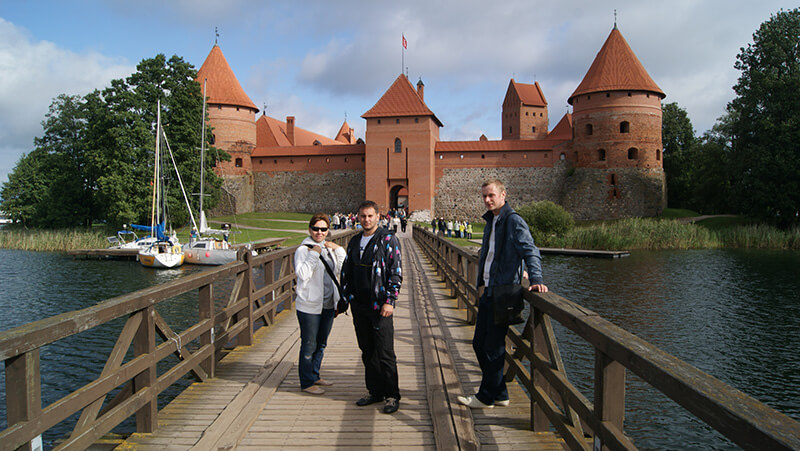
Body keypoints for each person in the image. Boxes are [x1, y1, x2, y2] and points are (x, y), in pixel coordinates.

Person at [458, 179, 548, 409]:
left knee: (492, 347)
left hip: (503, 293)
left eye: (491, 195)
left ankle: (486, 396)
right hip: (489, 291)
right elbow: (491, 255)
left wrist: (536, 279)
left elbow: (531, 250)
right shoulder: (492, 221)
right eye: (484, 196)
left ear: (503, 194)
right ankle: (501, 393)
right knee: (481, 344)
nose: (487, 200)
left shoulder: (513, 220)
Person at [340, 201, 403, 414]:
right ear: (358, 217)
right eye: (363, 216)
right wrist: (347, 296)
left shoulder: (388, 238)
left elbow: (395, 271)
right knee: (367, 350)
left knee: (385, 352)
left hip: (380, 305)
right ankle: (375, 391)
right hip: (360, 304)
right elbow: (347, 269)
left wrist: (390, 300)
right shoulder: (355, 240)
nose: (366, 220)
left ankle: (392, 395)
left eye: (370, 216)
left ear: (378, 216)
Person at [294, 213, 346, 395]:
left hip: (328, 304)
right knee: (309, 344)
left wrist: (338, 249)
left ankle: (315, 375)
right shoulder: (303, 250)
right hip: (309, 306)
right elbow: (303, 274)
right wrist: (314, 254)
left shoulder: (328, 249)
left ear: (327, 231)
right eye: (316, 229)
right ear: (310, 229)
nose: (319, 232)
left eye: (323, 229)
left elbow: (340, 269)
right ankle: (306, 382)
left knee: (321, 343)